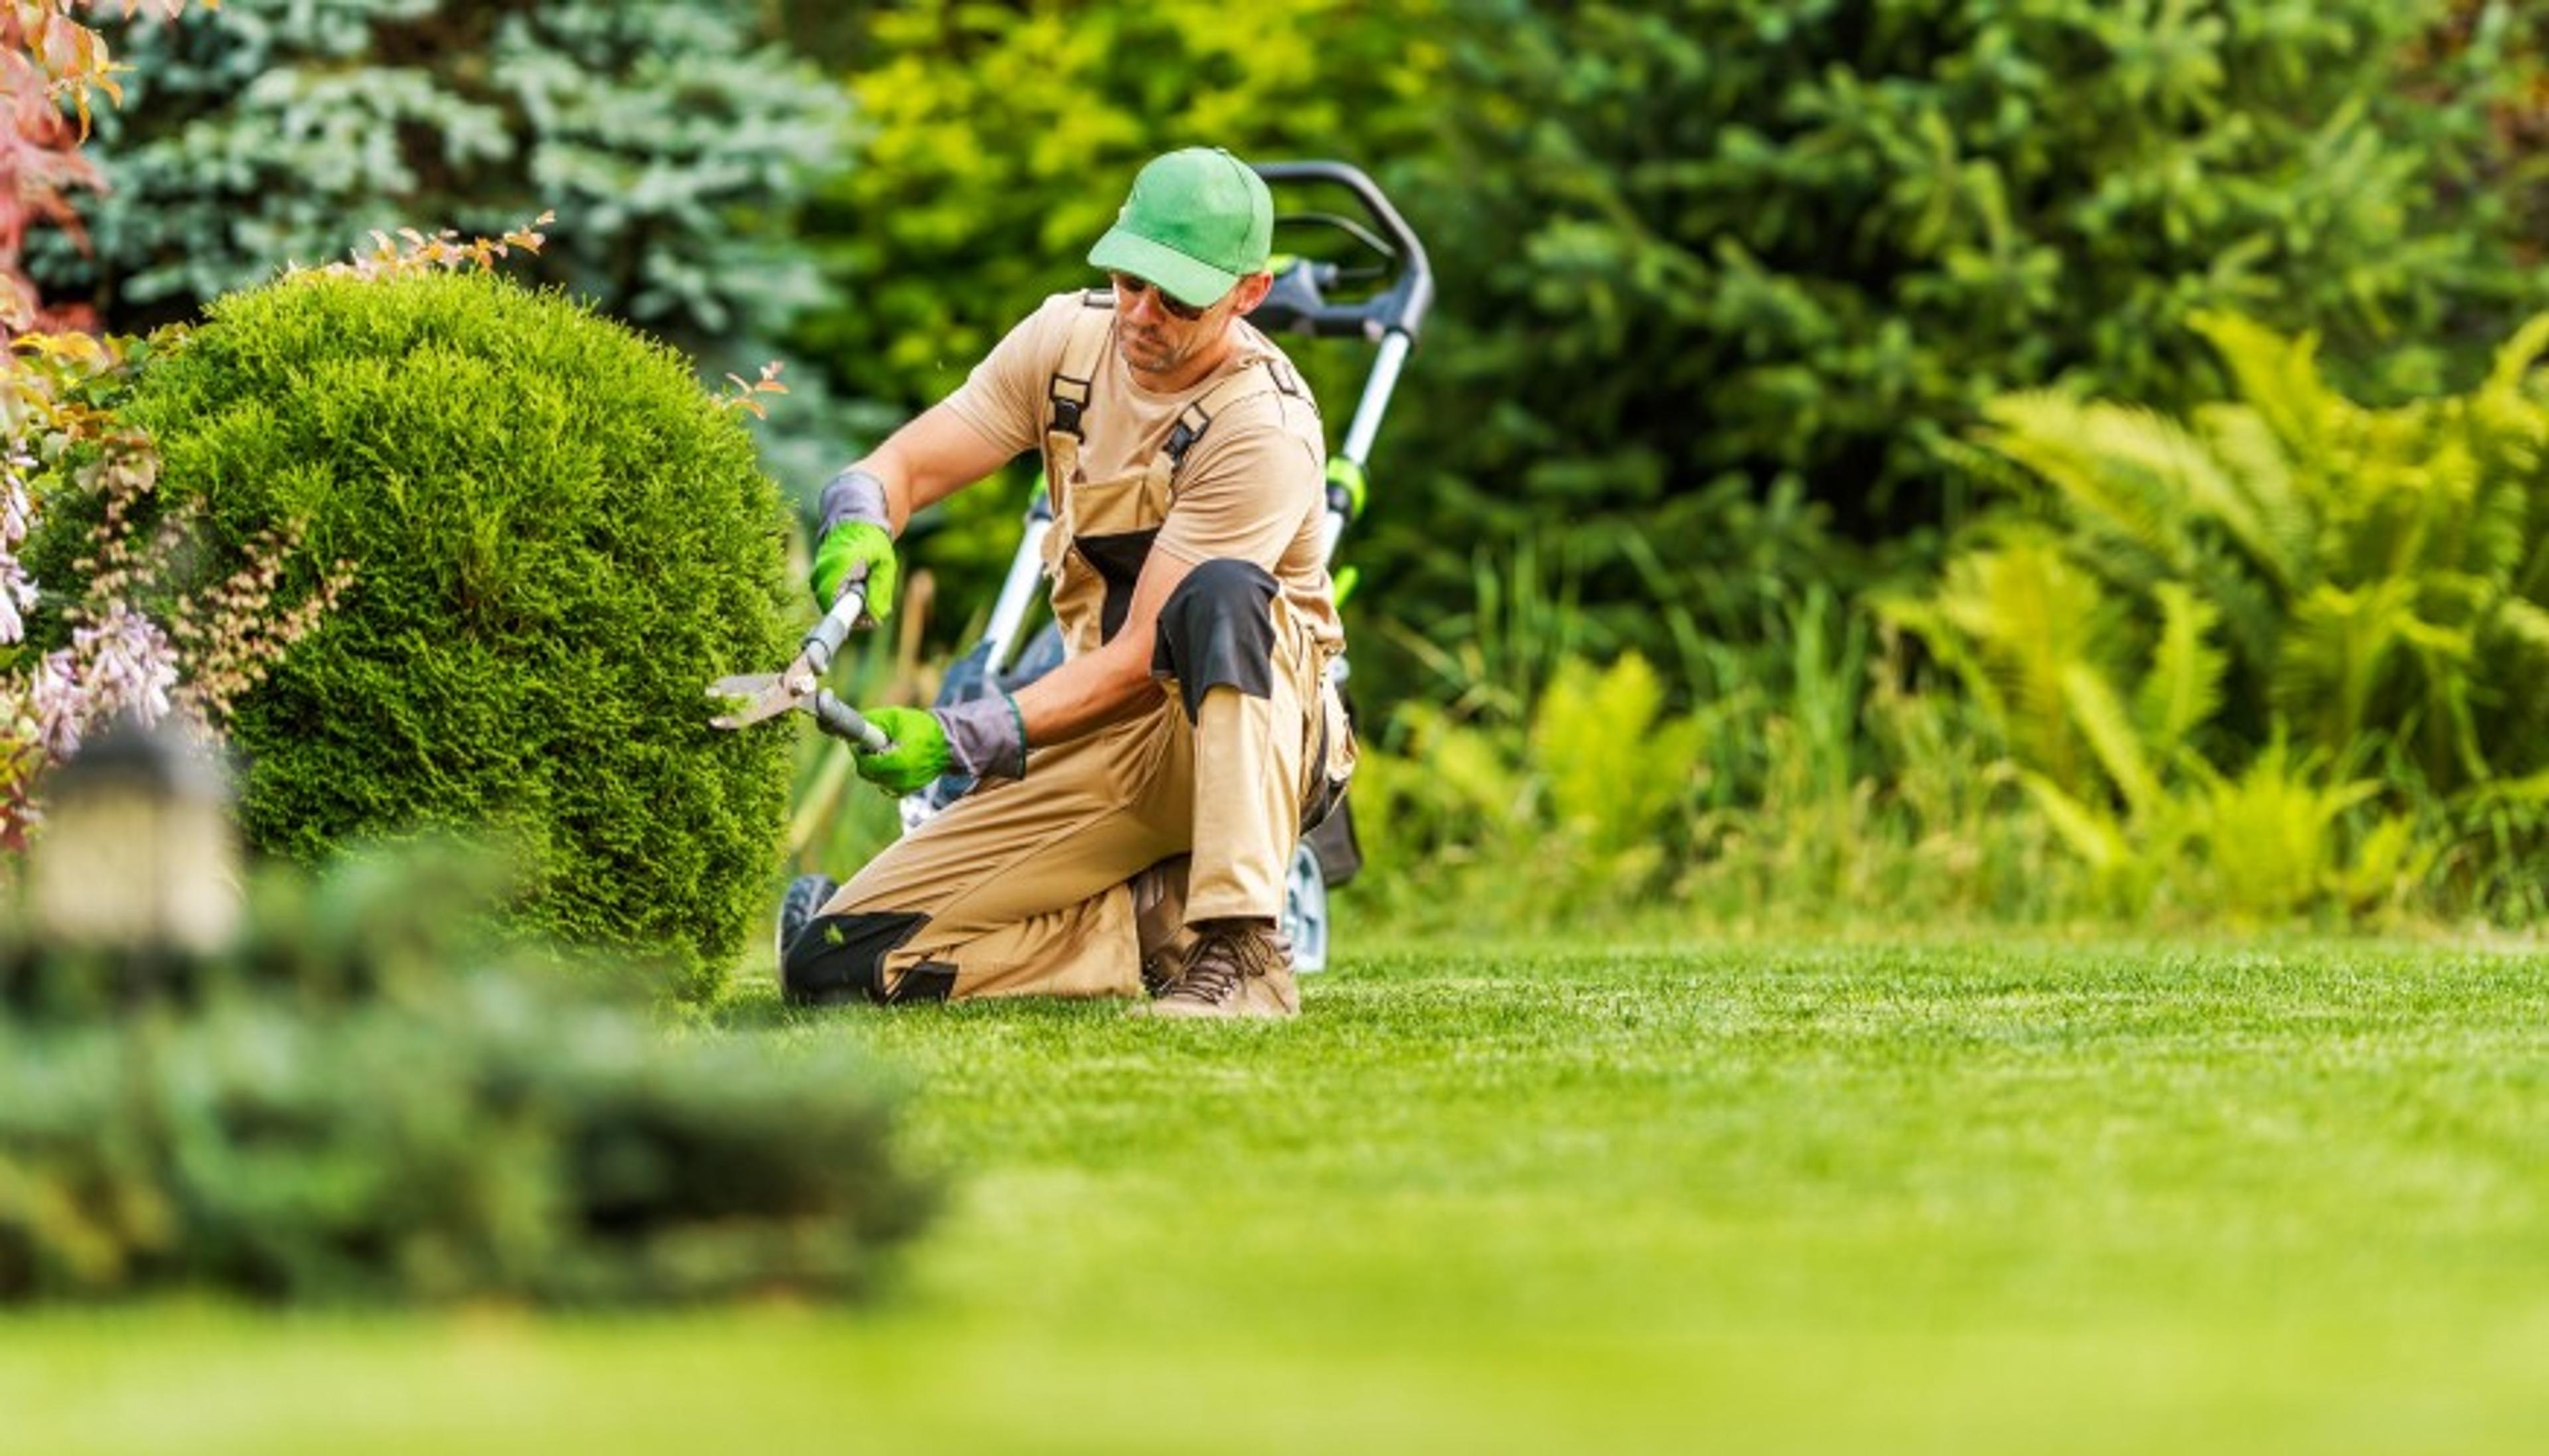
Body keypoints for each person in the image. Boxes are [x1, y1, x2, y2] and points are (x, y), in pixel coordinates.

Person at [777, 146, 1353, 1019]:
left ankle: (1243, 949)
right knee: (832, 963)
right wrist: (860, 515)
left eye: (1179, 297)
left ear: (1250, 293)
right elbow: (907, 464)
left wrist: (958, 735)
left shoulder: (1261, 425)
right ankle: (1141, 921)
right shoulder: (1065, 341)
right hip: (1099, 736)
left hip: (1241, 732)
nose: (1143, 314)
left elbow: (1135, 660)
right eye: (1130, 281)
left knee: (1224, 593)